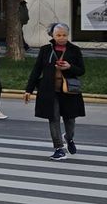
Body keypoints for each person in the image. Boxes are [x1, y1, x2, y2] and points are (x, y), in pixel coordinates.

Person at [25, 23, 86, 160]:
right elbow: (36, 70)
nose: (62, 38)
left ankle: (69, 138)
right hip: (49, 91)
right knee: (54, 119)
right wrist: (28, 90)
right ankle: (59, 148)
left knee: (70, 120)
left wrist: (69, 67)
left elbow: (81, 70)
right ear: (52, 35)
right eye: (58, 35)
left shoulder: (74, 50)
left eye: (64, 35)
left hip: (69, 91)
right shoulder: (45, 50)